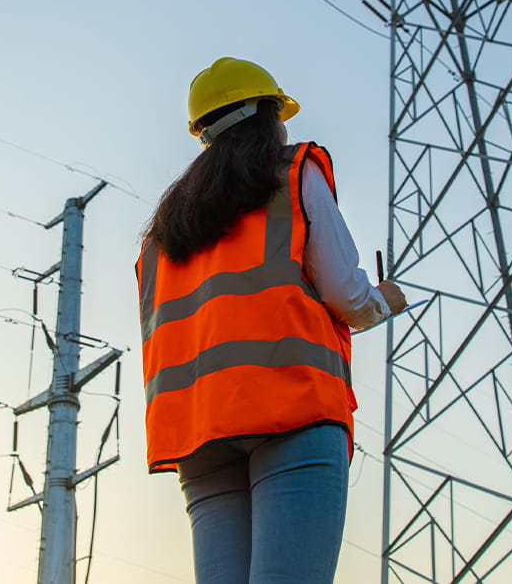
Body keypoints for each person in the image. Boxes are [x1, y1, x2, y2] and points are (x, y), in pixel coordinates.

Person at [136, 57, 407, 584]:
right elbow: (347, 296)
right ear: (267, 115)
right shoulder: (293, 171)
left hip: (199, 435)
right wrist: (384, 300)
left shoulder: (162, 234)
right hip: (292, 412)